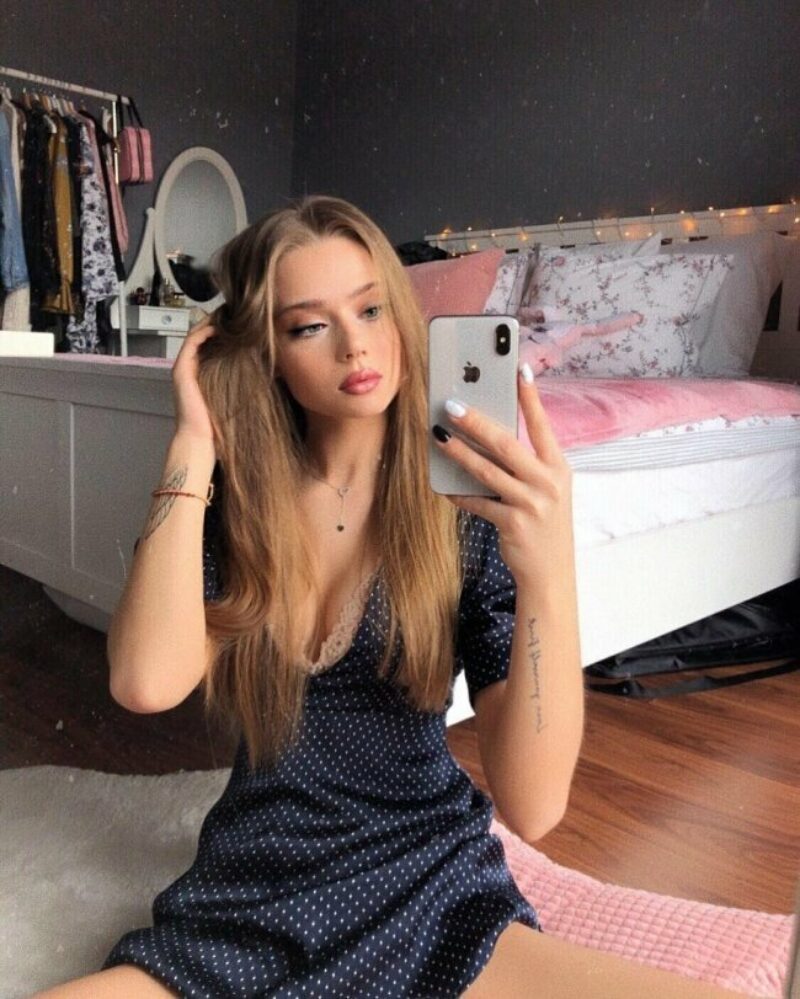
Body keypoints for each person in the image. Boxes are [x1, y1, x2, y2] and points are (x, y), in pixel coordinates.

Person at [36, 196, 739, 998]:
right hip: (254, 890)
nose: (356, 344)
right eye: (310, 325)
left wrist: (548, 571)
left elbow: (535, 805)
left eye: (371, 308)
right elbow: (144, 681)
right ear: (268, 352)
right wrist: (193, 443)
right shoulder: (238, 503)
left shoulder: (462, 510)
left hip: (425, 885)